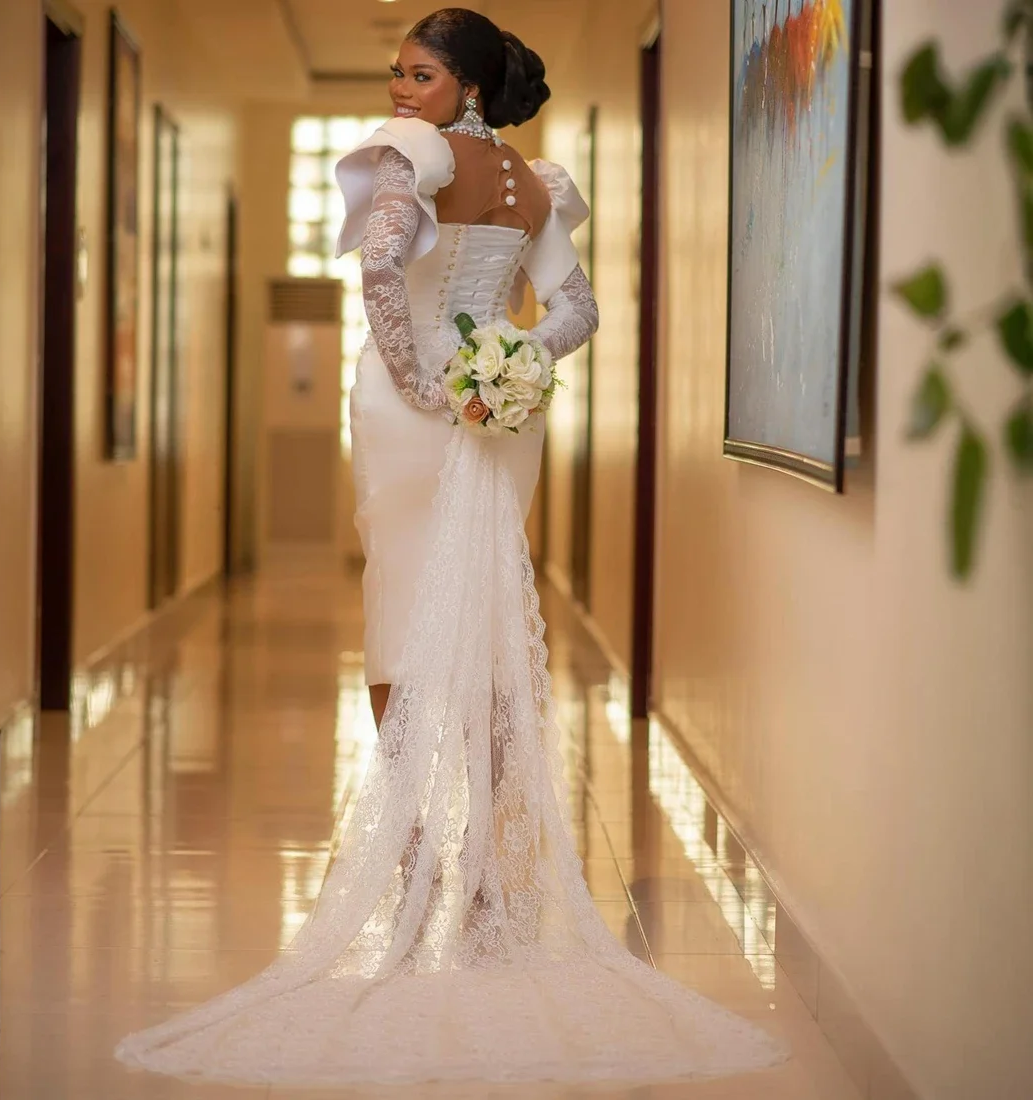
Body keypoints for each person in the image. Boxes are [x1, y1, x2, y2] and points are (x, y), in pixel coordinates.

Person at [115, 9, 788, 1087]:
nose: (397, 90)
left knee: (398, 612)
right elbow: (579, 309)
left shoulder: (414, 158)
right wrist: (507, 363)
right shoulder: (538, 183)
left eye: (417, 73)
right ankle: (488, 886)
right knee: (476, 614)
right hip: (498, 419)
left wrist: (426, 383)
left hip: (409, 412)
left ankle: (421, 852)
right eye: (395, 73)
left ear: (465, 87)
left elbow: (379, 273)